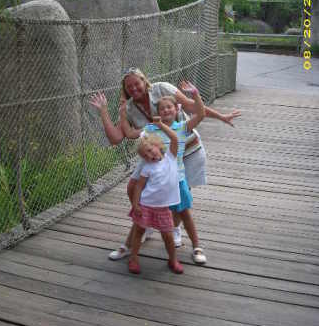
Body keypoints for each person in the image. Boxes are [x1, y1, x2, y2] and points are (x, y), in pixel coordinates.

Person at [89, 68, 241, 258]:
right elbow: (118, 137)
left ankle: (173, 229)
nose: (134, 88)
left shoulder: (162, 89)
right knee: (133, 187)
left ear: (145, 81)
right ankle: (146, 221)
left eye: (137, 83)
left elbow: (193, 108)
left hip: (187, 151)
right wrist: (104, 112)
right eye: (129, 86)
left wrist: (221, 116)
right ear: (126, 90)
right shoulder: (129, 109)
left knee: (177, 197)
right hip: (156, 156)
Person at [128, 117, 182, 274]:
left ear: (159, 146)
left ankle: (173, 259)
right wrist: (136, 204)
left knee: (167, 235)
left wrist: (160, 125)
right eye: (145, 155)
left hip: (163, 208)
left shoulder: (171, 158)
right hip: (146, 205)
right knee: (139, 231)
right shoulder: (147, 167)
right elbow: (139, 186)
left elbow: (174, 137)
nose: (150, 156)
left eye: (151, 150)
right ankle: (133, 259)